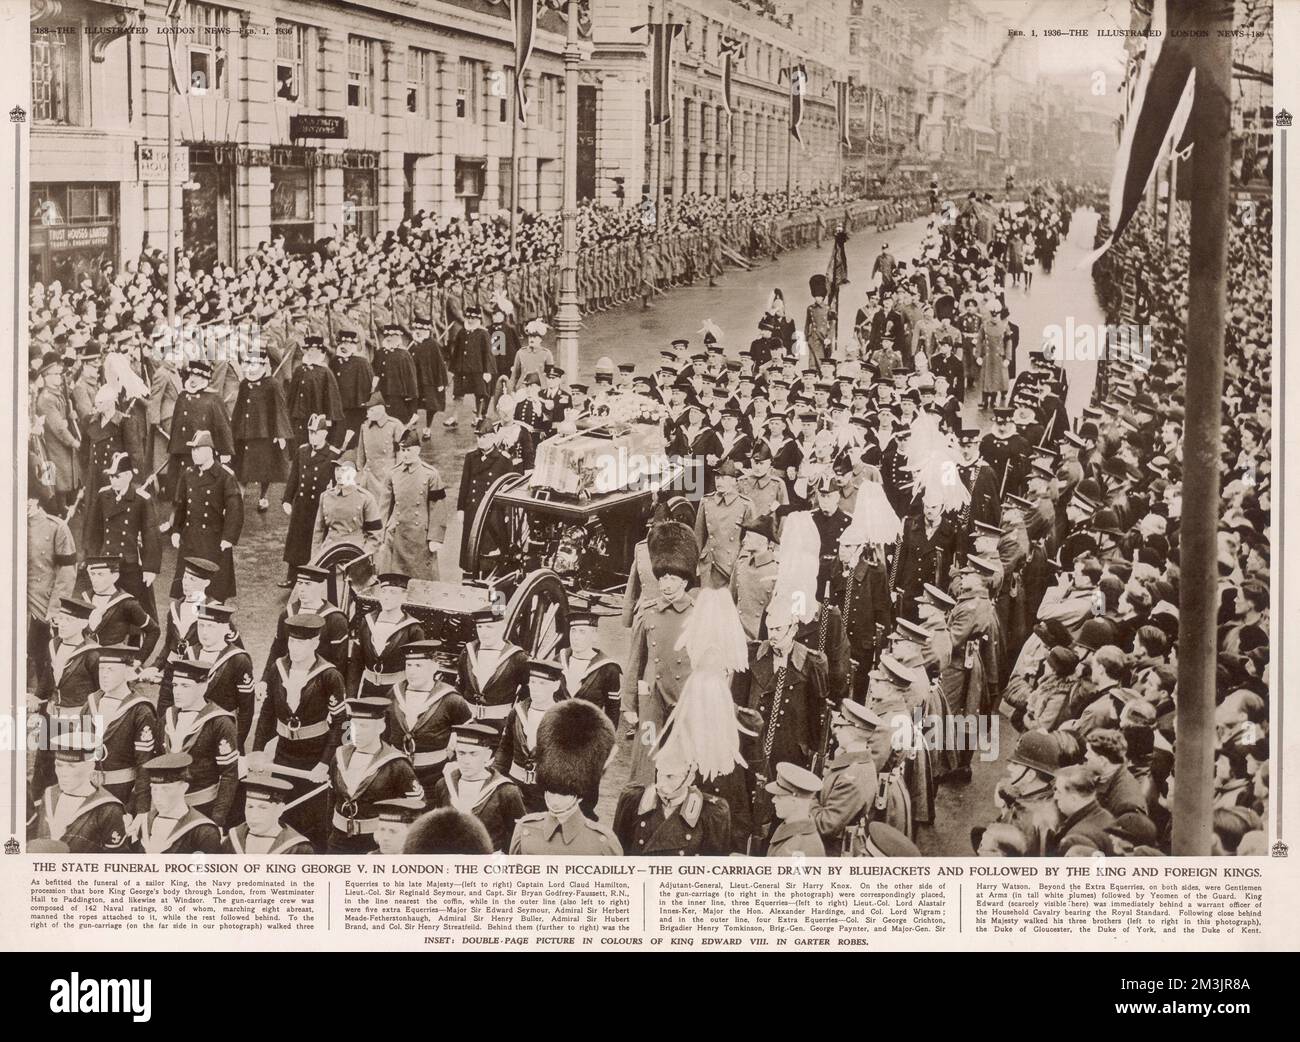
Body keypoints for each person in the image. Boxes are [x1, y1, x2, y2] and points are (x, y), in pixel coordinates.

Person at [251, 613, 347, 849]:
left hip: (314, 756)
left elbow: (340, 723)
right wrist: (257, 750)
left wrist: (325, 763)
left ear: (315, 643)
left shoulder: (329, 675)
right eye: (292, 642)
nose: (295, 648)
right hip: (284, 754)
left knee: (313, 819)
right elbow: (267, 714)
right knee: (282, 813)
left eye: (302, 643)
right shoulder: (278, 668)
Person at [621, 517, 699, 787]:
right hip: (651, 699)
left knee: (680, 760)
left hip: (684, 699)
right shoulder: (649, 612)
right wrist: (629, 704)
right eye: (663, 577)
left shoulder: (698, 615)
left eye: (672, 578)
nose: (666, 584)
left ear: (685, 581)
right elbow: (635, 661)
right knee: (645, 759)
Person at [508, 700, 621, 855]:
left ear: (579, 796)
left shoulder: (602, 843)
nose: (555, 800)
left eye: (565, 794)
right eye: (551, 791)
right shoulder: (525, 830)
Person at [327, 696, 423, 854]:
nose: (356, 732)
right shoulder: (339, 756)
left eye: (363, 726)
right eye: (353, 725)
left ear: (380, 727)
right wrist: (329, 837)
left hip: (375, 843)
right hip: (338, 840)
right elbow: (331, 800)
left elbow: (417, 808)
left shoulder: (396, 764)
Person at [160, 658, 240, 830]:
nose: (177, 692)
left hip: (202, 806)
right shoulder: (168, 716)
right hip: (166, 807)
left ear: (203, 687)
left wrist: (217, 819)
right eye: (175, 685)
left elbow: (229, 774)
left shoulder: (220, 721)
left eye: (185, 686)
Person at [385, 640, 471, 798]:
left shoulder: (451, 699)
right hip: (396, 773)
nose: (412, 671)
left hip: (433, 775)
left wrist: (454, 760)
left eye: (419, 666)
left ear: (434, 667)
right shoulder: (394, 694)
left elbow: (468, 735)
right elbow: (383, 731)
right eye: (408, 665)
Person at [82, 452, 160, 630]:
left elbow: (151, 535)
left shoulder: (141, 499)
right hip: (106, 563)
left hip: (130, 564)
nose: (113, 480)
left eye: (116, 476)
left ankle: (134, 648)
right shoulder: (103, 496)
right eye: (110, 476)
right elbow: (94, 532)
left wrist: (150, 568)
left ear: (128, 476)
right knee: (101, 608)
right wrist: (92, 560)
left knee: (136, 610)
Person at [612, 743, 732, 856]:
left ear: (689, 778)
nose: (661, 784)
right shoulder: (634, 802)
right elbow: (618, 854)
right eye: (660, 773)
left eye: (670, 776)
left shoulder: (710, 814)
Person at [166, 431, 243, 602]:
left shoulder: (225, 476)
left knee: (213, 590)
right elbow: (181, 504)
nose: (194, 453)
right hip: (190, 539)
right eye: (193, 450)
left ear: (209, 450)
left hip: (214, 541)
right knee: (186, 589)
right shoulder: (188, 474)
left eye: (198, 450)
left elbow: (235, 509)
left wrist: (228, 538)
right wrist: (176, 530)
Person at [28, 728, 128, 853]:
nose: (63, 773)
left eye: (72, 766)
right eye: (59, 765)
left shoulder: (108, 809)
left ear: (90, 767)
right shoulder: (49, 796)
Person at [431, 722, 526, 852]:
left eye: (473, 754)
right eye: (461, 753)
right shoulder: (444, 785)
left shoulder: (505, 791)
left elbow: (517, 835)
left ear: (487, 756)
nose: (466, 760)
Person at [811, 700, 880, 853]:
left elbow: (825, 825)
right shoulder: (854, 760)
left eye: (840, 727)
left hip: (836, 850)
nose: (835, 731)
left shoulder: (854, 776)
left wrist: (806, 796)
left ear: (852, 731)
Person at [280, 414, 341, 586]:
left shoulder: (333, 455)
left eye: (316, 432)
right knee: (296, 542)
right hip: (301, 505)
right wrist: (287, 499)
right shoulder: (302, 450)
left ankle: (312, 579)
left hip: (318, 507)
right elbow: (294, 477)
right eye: (310, 432)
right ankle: (292, 577)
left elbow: (337, 484)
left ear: (324, 433)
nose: (312, 436)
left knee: (313, 542)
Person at [378, 429, 446, 581]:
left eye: (409, 450)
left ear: (418, 450)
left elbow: (438, 508)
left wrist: (435, 538)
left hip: (419, 538)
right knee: (392, 582)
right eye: (403, 450)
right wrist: (381, 534)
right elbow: (384, 507)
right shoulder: (393, 474)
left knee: (421, 583)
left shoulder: (431, 475)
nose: (405, 454)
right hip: (396, 536)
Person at [349, 573, 425, 698]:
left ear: (404, 596)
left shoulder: (413, 629)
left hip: (396, 692)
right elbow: (356, 664)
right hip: (367, 691)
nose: (386, 597)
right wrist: (350, 698)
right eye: (383, 592)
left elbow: (419, 671)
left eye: (393, 593)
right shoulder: (367, 622)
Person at [231, 352, 291, 511]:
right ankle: (239, 498)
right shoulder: (244, 384)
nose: (251, 369)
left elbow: (280, 409)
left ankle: (263, 496)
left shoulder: (273, 384)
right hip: (245, 432)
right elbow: (239, 408)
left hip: (265, 433)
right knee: (243, 467)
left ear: (263, 366)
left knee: (264, 468)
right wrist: (233, 429)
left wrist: (280, 433)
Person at [132, 753, 223, 854]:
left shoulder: (203, 831)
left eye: (166, 790)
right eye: (154, 789)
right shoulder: (145, 823)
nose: (158, 797)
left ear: (183, 788)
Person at [457, 604, 528, 725]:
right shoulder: (467, 652)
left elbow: (527, 692)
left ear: (502, 628)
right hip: (468, 722)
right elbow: (460, 686)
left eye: (489, 627)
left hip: (500, 724)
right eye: (480, 627)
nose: (484, 633)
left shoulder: (517, 657)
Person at [221, 771, 314, 854]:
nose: (253, 815)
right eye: (250, 807)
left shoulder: (297, 848)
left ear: (279, 810)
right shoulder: (234, 838)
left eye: (263, 808)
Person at [557, 612, 622, 726]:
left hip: (589, 733)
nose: (575, 637)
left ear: (594, 636)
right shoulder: (559, 660)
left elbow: (613, 710)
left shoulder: (608, 668)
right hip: (558, 730)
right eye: (573, 631)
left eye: (582, 632)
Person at [447, 305, 494, 430]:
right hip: (462, 369)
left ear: (478, 319)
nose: (470, 320)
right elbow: (456, 352)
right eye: (468, 317)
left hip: (477, 370)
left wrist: (487, 371)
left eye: (473, 318)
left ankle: (478, 416)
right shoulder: (462, 332)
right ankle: (454, 417)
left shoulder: (483, 333)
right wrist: (452, 369)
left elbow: (488, 353)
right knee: (457, 394)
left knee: (479, 394)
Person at [765, 762, 826, 857]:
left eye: (779, 797)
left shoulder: (797, 848)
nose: (773, 800)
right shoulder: (795, 831)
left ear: (794, 802)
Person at [410, 317, 448, 441]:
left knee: (430, 405)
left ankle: (428, 428)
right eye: (417, 328)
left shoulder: (432, 344)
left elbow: (439, 364)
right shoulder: (413, 344)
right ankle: (412, 429)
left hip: (429, 380)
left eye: (421, 329)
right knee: (413, 403)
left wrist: (441, 382)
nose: (419, 331)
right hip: (415, 380)